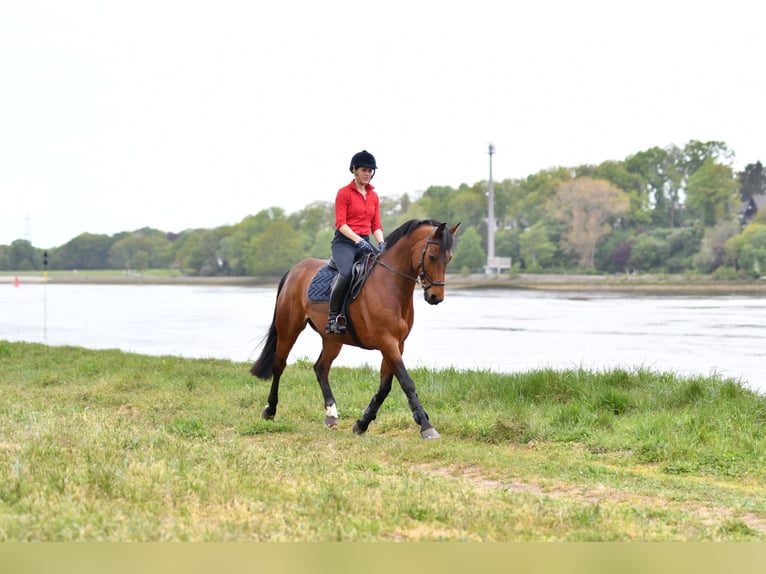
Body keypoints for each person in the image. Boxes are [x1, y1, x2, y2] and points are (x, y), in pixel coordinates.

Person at [325, 150, 386, 335]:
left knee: (384, 270)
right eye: (364, 170)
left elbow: (375, 224)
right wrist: (358, 240)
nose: (367, 173)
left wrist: (382, 243)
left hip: (365, 242)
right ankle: (333, 318)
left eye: (370, 170)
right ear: (354, 170)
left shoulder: (374, 196)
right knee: (345, 274)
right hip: (344, 243)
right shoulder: (344, 193)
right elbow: (341, 224)